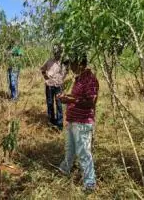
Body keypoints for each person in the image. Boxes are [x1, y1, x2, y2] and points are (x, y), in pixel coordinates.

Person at [57, 54, 99, 192]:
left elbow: (90, 102)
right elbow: (78, 97)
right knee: (70, 148)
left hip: (82, 122)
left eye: (72, 64)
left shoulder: (90, 79)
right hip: (72, 120)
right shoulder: (79, 78)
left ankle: (90, 183)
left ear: (80, 63)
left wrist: (70, 101)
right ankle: (65, 169)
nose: (70, 67)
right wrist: (66, 97)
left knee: (83, 153)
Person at [40, 45, 69, 130]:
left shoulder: (63, 62)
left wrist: (63, 78)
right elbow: (42, 69)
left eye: (59, 52)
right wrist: (46, 77)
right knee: (50, 103)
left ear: (61, 52)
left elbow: (67, 71)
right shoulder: (49, 61)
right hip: (49, 86)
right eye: (56, 52)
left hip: (59, 86)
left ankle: (59, 124)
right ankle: (51, 121)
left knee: (59, 104)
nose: (57, 54)